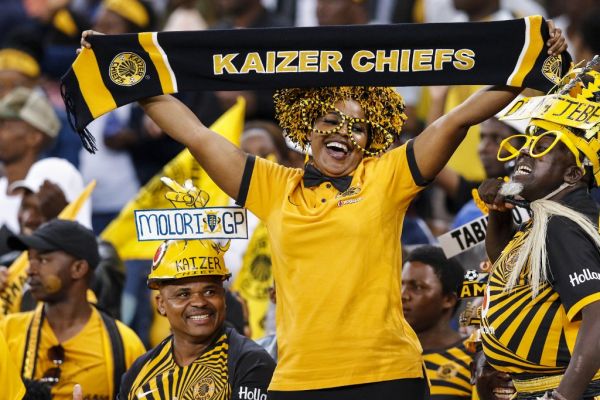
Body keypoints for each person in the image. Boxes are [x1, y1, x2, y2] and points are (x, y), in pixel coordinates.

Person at [80, 21, 566, 400]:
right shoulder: (273, 184)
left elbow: (461, 116)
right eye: (329, 121)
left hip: (386, 377)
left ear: (372, 136)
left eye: (356, 126)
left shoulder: (387, 174)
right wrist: (123, 69)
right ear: (304, 127)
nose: (342, 133)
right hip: (298, 381)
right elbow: (194, 133)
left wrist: (530, 64)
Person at [477, 65, 600, 399]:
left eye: (544, 145)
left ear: (574, 174)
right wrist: (499, 215)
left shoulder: (564, 224)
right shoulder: (545, 217)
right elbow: (507, 275)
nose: (525, 150)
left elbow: (598, 317)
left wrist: (563, 397)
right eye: (528, 140)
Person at [0, 219, 146, 400]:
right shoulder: (7, 331)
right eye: (30, 259)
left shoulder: (126, 345)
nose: (30, 269)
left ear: (78, 268)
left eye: (43, 260)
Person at [118, 238, 276, 399]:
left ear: (223, 297)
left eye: (210, 292)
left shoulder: (251, 363)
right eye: (183, 294)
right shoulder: (139, 371)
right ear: (161, 304)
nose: (199, 302)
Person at [402, 245, 474, 399]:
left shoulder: (474, 358)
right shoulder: (384, 353)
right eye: (401, 284)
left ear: (448, 300)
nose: (403, 295)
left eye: (417, 287)